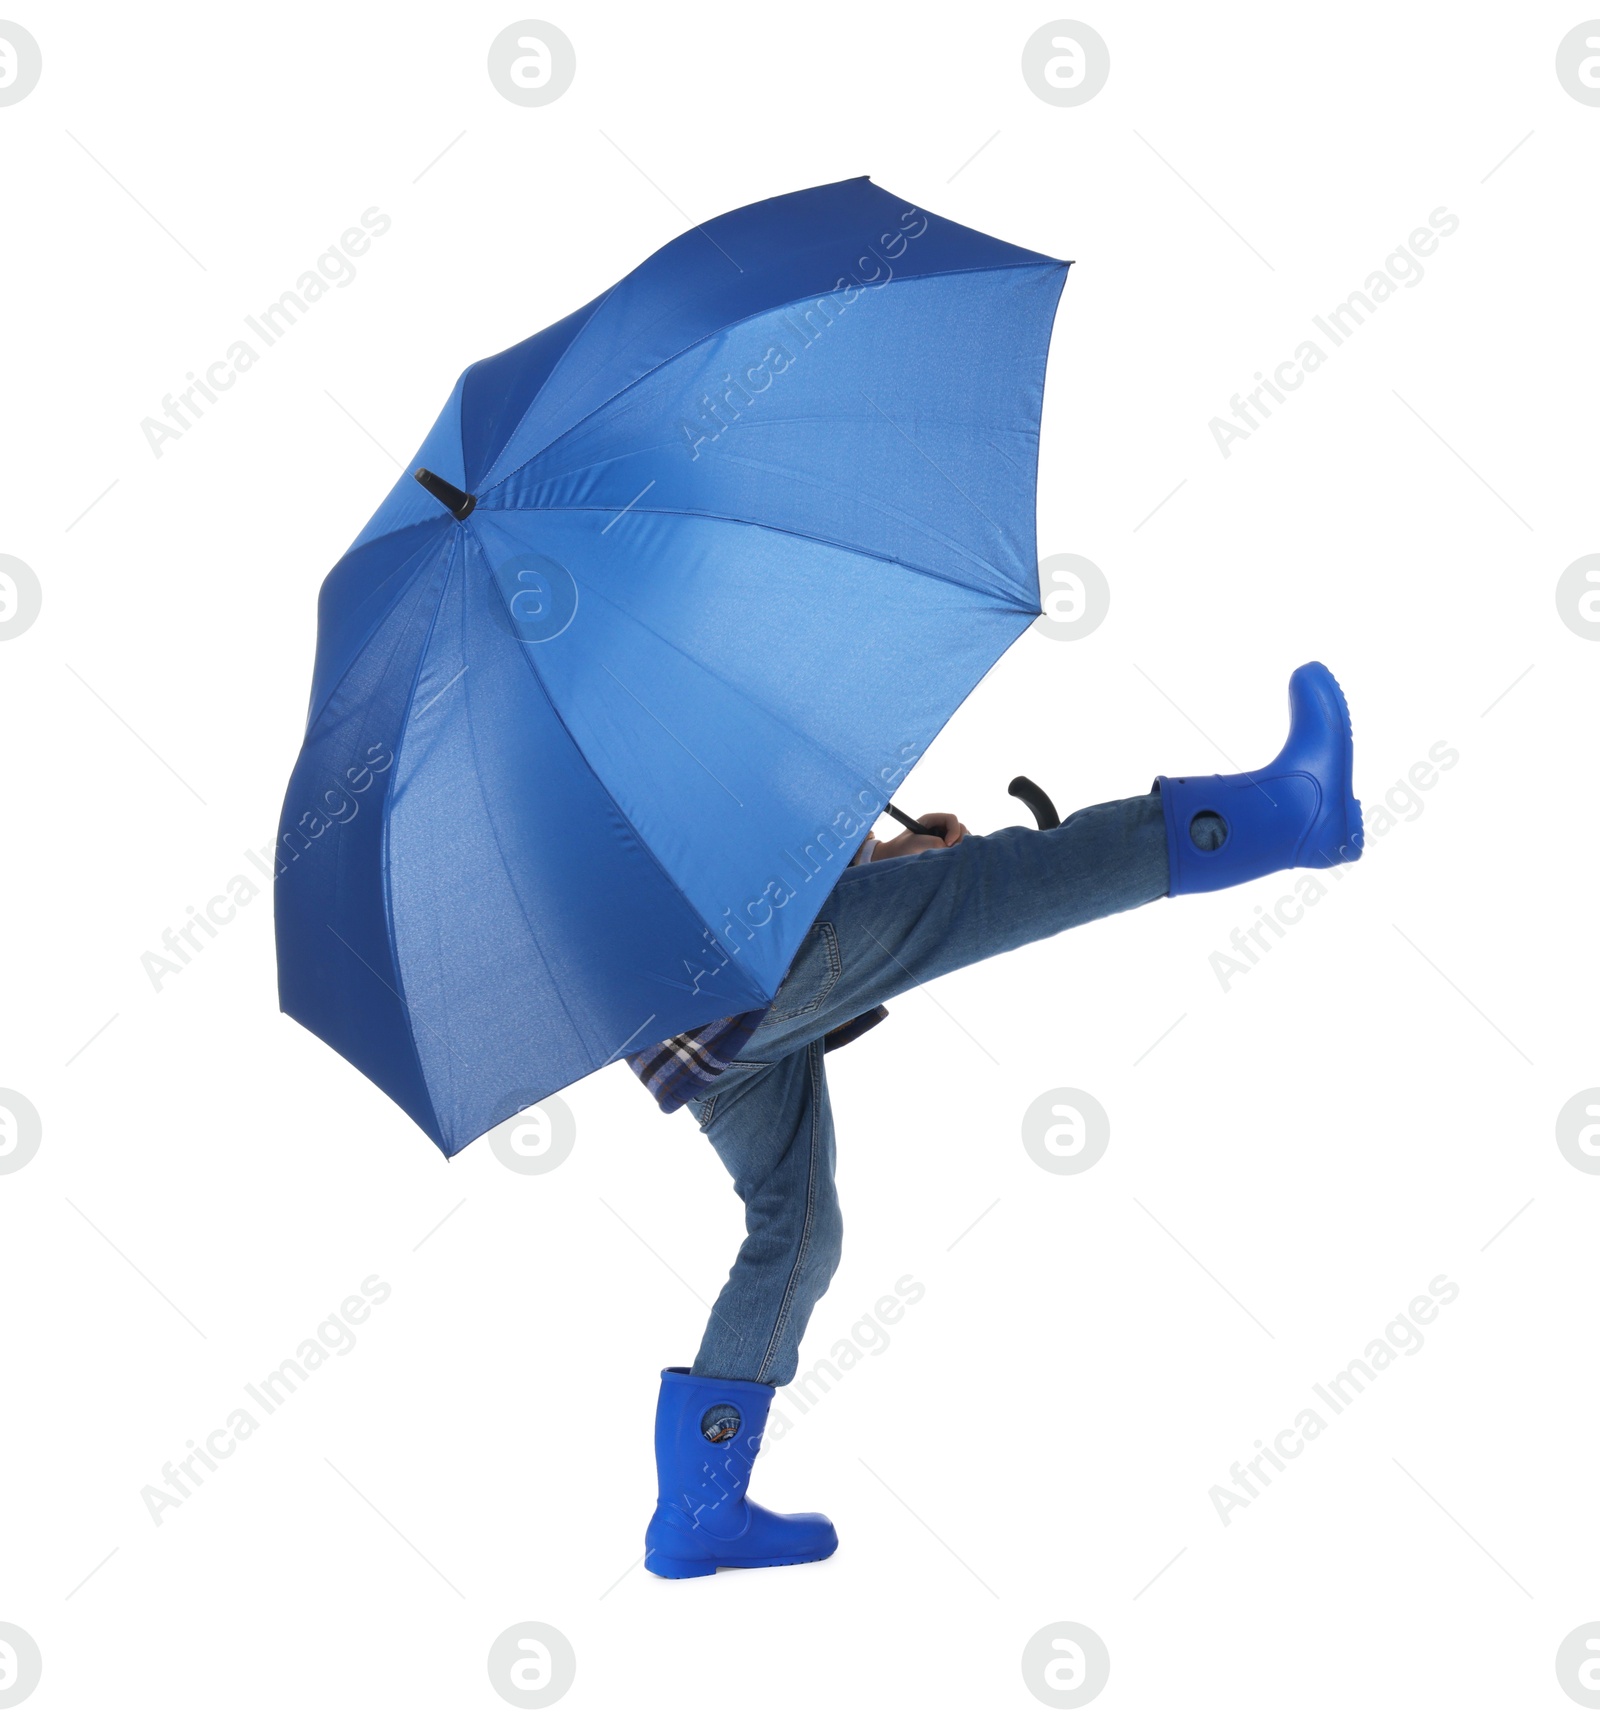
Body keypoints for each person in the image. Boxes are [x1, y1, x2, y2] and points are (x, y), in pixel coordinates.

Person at [629, 662, 1364, 1578]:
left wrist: (882, 864)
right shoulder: (630, 694)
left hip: (690, 1038)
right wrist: (873, 863)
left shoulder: (563, 749)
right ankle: (1285, 814)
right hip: (744, 973)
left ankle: (696, 1515)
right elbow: (731, 838)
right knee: (1001, 881)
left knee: (796, 1234)